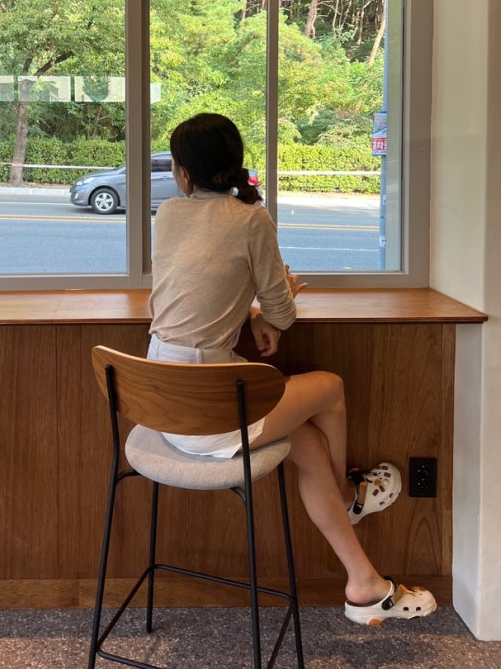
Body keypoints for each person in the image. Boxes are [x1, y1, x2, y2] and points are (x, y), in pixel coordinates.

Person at [147, 112, 436, 625]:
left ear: (183, 173)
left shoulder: (167, 213)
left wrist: (257, 316)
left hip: (162, 399)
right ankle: (348, 496)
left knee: (308, 444)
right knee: (331, 387)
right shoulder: (250, 219)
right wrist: (273, 315)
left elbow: (202, 294)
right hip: (210, 410)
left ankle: (364, 584)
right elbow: (280, 309)